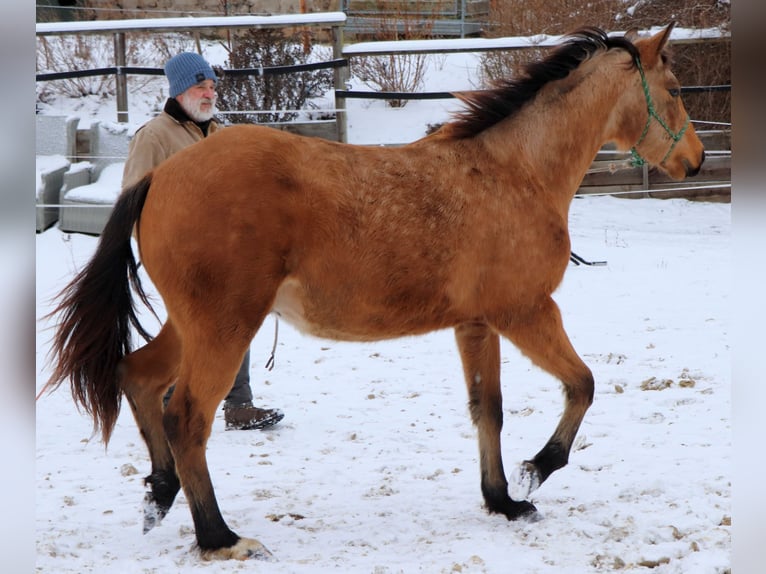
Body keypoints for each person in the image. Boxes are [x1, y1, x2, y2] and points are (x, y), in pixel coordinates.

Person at [122, 52, 284, 431]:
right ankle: (170, 396)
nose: (209, 94)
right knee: (198, 326)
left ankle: (233, 404)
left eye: (212, 86)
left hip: (226, 253)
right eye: (200, 86)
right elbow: (130, 202)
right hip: (182, 255)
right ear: (179, 91)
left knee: (232, 320)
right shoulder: (155, 136)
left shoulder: (218, 135)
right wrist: (167, 249)